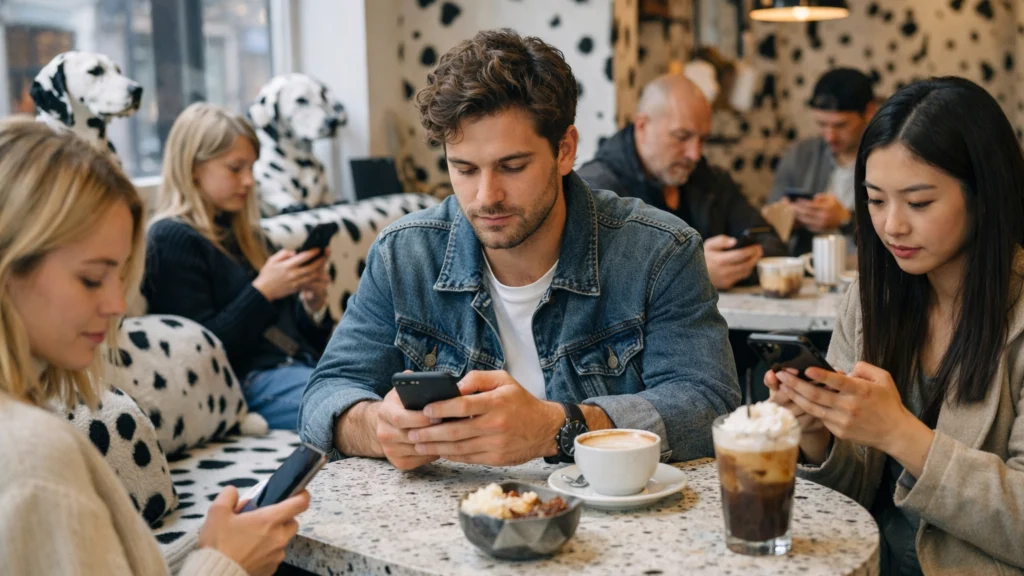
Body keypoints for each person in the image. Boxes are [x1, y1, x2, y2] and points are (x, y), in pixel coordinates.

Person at [298, 29, 739, 470]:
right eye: (464, 168)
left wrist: (557, 428)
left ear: (565, 151)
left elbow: (706, 406)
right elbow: (324, 396)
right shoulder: (404, 255)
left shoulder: (661, 252)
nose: (486, 196)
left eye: (512, 166)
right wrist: (379, 426)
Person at [0, 118, 308, 575]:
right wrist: (225, 563)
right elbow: (216, 343)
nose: (118, 304)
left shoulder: (35, 430)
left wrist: (205, 546)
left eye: (118, 276)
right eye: (91, 279)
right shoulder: (33, 455)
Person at [767, 77, 1024, 575]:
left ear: (985, 195)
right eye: (875, 200)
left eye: (919, 202)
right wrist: (819, 433)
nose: (892, 226)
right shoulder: (869, 299)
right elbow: (848, 494)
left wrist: (901, 434)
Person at [143, 103, 333, 430]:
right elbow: (197, 354)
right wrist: (264, 291)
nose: (248, 181)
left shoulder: (250, 237)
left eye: (251, 168)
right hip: (245, 385)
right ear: (193, 168)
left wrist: (312, 305)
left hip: (297, 369)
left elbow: (299, 343)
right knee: (352, 406)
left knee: (377, 389)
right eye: (235, 168)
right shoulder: (171, 237)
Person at [577, 73, 786, 291]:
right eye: (681, 136)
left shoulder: (711, 180)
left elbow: (772, 244)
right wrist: (692, 272)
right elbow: (588, 279)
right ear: (642, 125)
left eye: (702, 139)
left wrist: (742, 259)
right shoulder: (595, 190)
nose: (695, 154)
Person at [767, 68, 877, 255]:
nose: (829, 137)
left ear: (869, 111)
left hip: (870, 270)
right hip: (808, 271)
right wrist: (787, 218)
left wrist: (846, 221)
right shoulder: (800, 155)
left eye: (840, 125)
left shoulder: (888, 157)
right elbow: (768, 225)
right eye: (822, 124)